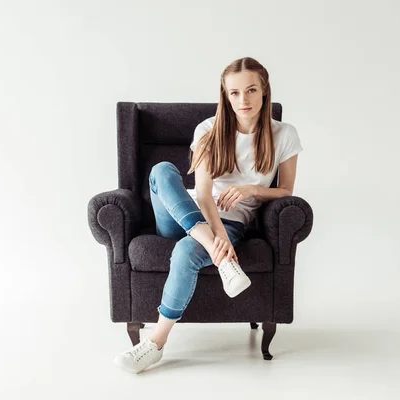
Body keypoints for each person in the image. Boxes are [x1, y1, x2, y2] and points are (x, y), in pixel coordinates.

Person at [113, 56, 304, 374]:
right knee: (161, 171)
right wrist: (211, 237)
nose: (243, 100)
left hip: (233, 220)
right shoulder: (208, 129)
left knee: (187, 250)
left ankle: (154, 344)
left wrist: (251, 190)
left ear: (264, 90)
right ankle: (223, 260)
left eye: (251, 90)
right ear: (225, 95)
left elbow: (286, 191)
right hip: (185, 214)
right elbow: (202, 193)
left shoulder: (284, 134)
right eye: (234, 93)